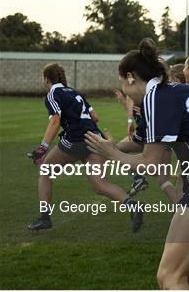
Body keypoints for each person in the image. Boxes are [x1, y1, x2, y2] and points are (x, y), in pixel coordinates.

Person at [84, 39, 189, 289]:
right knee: (187, 276)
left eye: (122, 83)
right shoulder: (180, 91)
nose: (124, 91)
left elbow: (152, 164)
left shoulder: (155, 98)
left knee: (169, 278)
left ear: (130, 77)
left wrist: (111, 154)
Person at [27, 63, 143, 232]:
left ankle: (45, 218)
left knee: (45, 171)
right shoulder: (74, 92)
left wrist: (42, 148)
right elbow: (95, 117)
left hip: (76, 139)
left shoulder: (53, 93)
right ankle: (132, 205)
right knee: (100, 185)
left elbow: (55, 121)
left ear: (46, 79)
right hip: (95, 138)